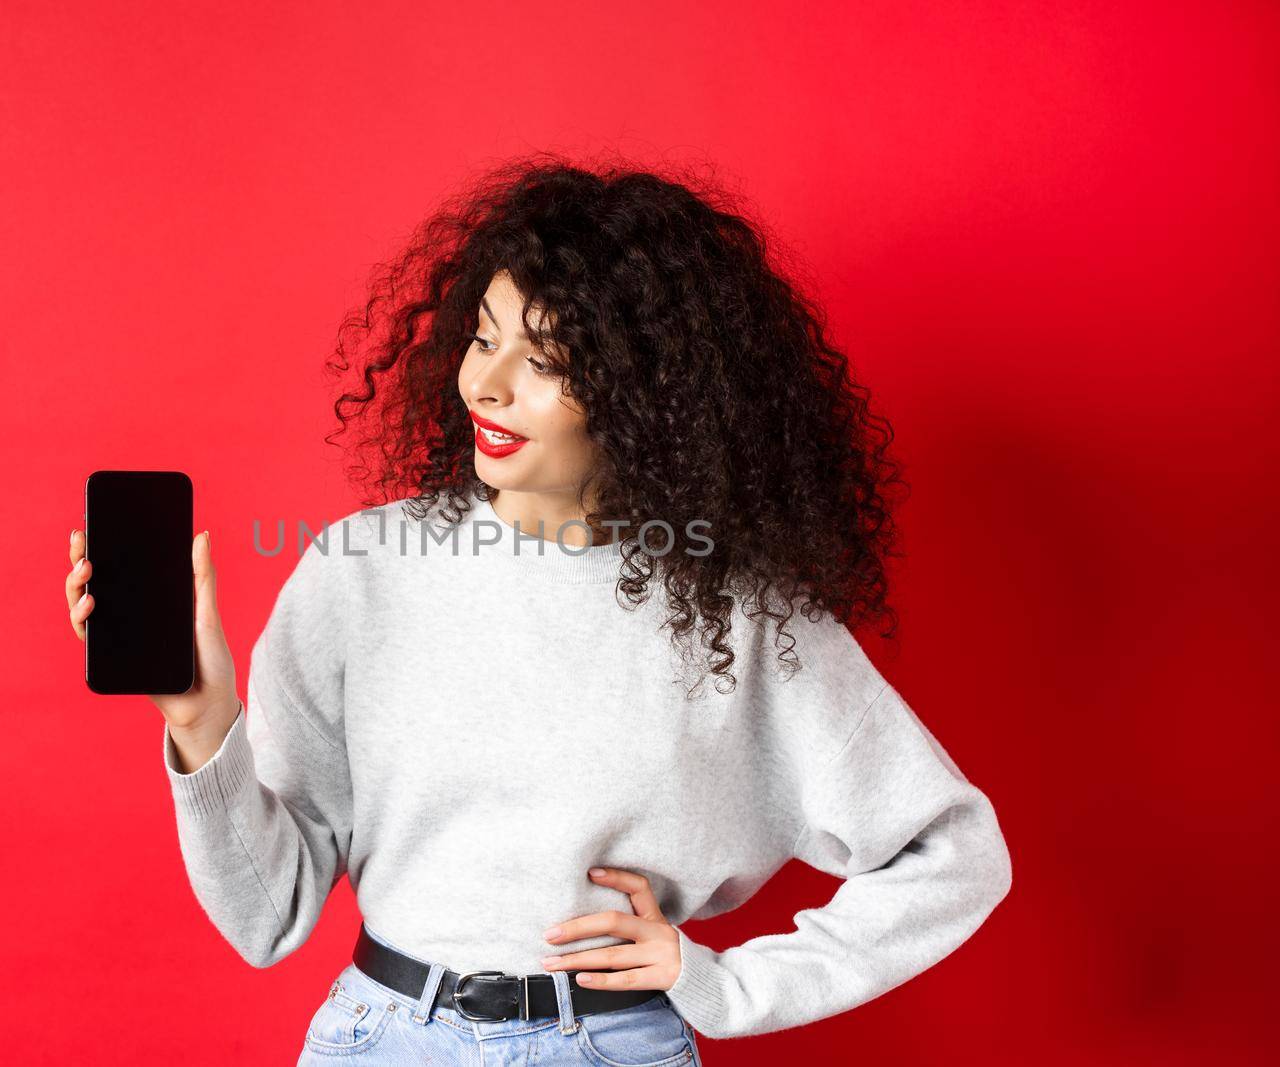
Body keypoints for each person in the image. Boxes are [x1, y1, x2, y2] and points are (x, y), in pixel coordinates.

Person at [62, 155, 1013, 1064]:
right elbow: (267, 915)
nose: (487, 382)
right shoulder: (362, 568)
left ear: (651, 393)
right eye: (484, 336)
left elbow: (952, 851)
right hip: (381, 1041)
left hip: (609, 1047)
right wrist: (198, 720)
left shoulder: (735, 612)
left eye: (546, 356)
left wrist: (727, 983)